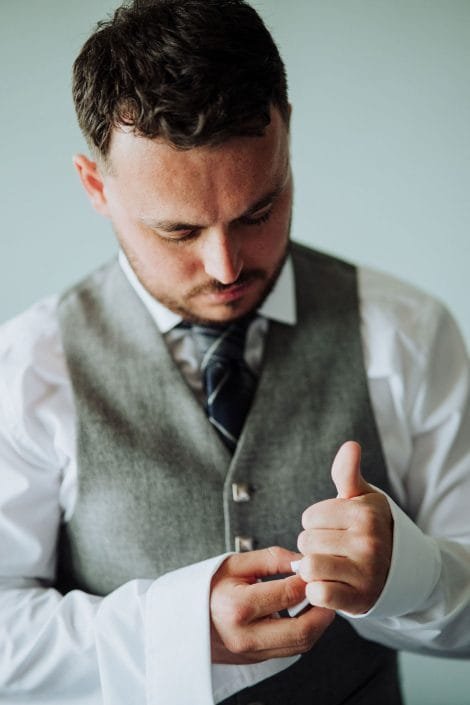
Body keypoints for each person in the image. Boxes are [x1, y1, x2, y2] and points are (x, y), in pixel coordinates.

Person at [0, 1, 469, 703]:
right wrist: (174, 632)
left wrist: (412, 574)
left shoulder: (406, 332)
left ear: (287, 143)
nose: (226, 266)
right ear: (96, 187)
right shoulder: (28, 364)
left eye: (259, 210)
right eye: (178, 231)